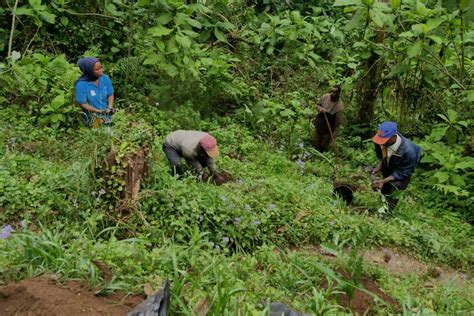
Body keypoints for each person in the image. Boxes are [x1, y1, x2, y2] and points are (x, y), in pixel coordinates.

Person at [371, 121, 422, 212]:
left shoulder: (409, 152)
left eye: (384, 141)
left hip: (403, 168)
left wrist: (384, 180)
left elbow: (403, 172)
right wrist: (380, 164)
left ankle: (388, 212)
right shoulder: (381, 140)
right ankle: (383, 203)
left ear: (394, 137)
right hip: (390, 161)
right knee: (385, 187)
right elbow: (379, 151)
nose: (381, 143)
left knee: (396, 187)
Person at [75, 57, 116, 128]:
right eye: (97, 69)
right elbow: (83, 103)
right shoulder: (81, 84)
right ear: (89, 71)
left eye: (101, 67)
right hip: (91, 116)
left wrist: (110, 107)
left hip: (106, 113)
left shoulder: (105, 78)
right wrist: (98, 111)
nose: (101, 71)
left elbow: (110, 94)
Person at [312, 85, 344, 152]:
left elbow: (338, 123)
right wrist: (321, 109)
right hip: (319, 123)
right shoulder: (325, 97)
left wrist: (334, 136)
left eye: (334, 92)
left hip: (328, 129)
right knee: (315, 142)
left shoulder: (339, 106)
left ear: (338, 93)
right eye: (331, 91)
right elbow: (317, 105)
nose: (332, 93)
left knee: (323, 147)